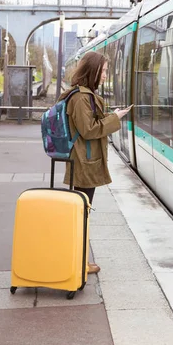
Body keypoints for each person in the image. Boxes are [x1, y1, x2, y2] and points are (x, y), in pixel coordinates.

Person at [57, 51, 131, 274]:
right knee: (82, 212)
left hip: (85, 160)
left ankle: (80, 259)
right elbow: (88, 131)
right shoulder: (81, 98)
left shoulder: (85, 96)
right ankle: (78, 262)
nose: (106, 75)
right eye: (104, 70)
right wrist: (115, 119)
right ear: (93, 71)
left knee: (82, 211)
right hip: (84, 162)